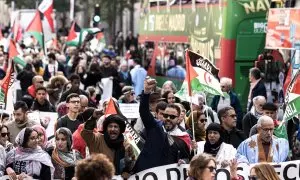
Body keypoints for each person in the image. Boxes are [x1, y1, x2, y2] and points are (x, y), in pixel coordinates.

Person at [133, 78, 191, 173]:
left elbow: (187, 157)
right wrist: (146, 93)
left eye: (172, 116)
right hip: (148, 174)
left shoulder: (183, 136)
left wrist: (183, 161)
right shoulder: (154, 127)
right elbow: (144, 112)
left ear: (178, 119)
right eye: (166, 115)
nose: (168, 118)